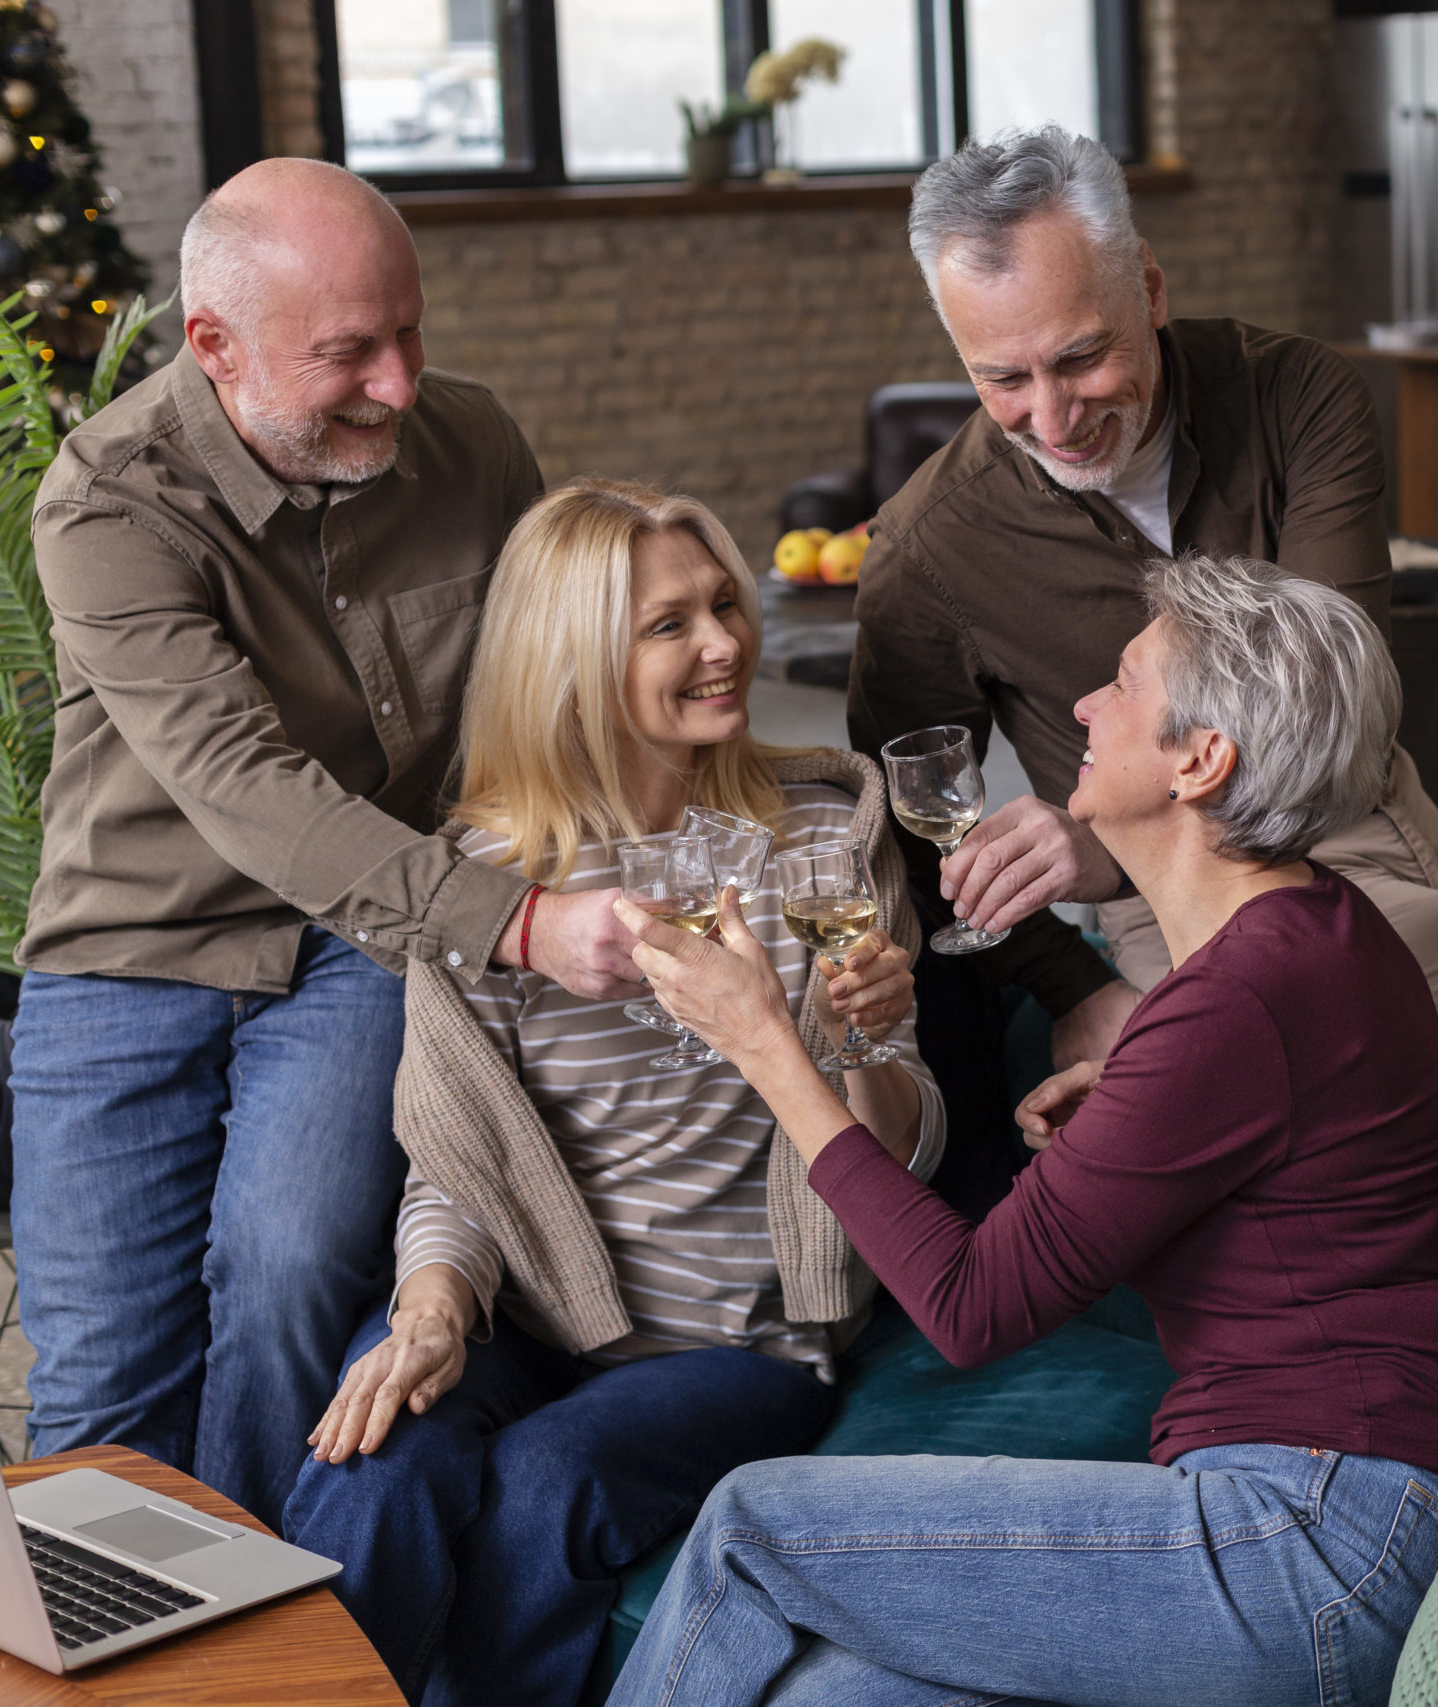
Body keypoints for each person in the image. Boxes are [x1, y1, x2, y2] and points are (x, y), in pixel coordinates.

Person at [610, 553, 1438, 1707]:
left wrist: (766, 1047)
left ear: (1200, 761)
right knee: (826, 1697)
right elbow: (1388, 1102)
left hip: (1321, 1536)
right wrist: (1159, 1100)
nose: (1085, 706)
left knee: (750, 1526)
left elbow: (968, 1307)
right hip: (1362, 1521)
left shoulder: (1238, 999)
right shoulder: (1322, 932)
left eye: (1125, 683)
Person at [9, 158, 644, 1527]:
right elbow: (245, 781)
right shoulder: (107, 500)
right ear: (214, 347)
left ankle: (245, 1637)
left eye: (410, 331)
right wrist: (520, 922)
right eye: (349, 352)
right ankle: (105, 1645)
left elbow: (558, 685)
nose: (401, 383)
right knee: (102, 1367)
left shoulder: (474, 447)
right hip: (131, 947)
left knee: (292, 1268)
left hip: (363, 939)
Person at [849, 125, 1438, 1088]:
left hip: (1382, 813)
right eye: (1003, 379)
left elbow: (1330, 710)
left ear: (1147, 289)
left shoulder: (1297, 395)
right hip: (1194, 895)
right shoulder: (929, 545)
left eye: (1082, 357)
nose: (1053, 421)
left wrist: (1095, 842)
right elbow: (892, 824)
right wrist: (1075, 986)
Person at [283, 478, 946, 1707]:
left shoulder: (818, 844)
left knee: (548, 1483)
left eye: (724, 607)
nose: (724, 645)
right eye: (669, 625)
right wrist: (429, 1310)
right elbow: (459, 1163)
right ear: (575, 660)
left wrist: (861, 1045)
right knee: (370, 1459)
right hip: (530, 1318)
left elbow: (894, 1157)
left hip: (736, 1344)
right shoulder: (492, 890)